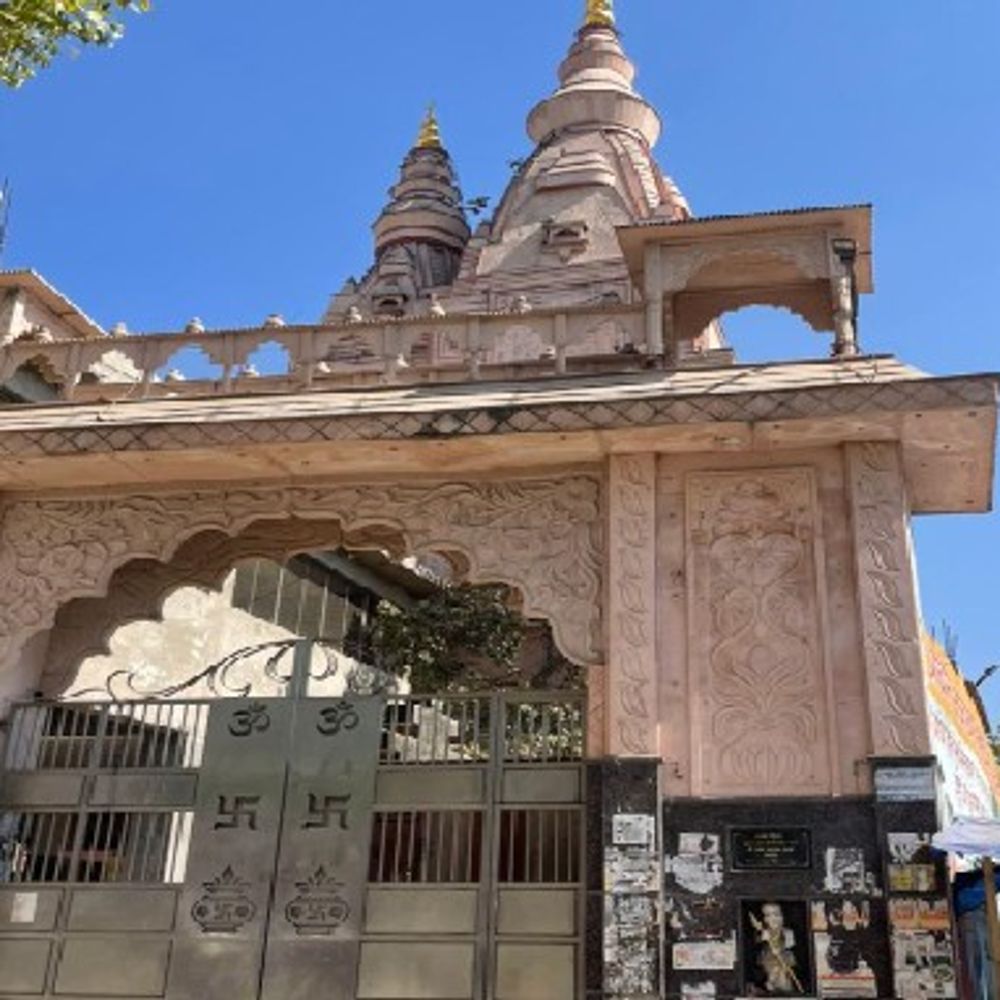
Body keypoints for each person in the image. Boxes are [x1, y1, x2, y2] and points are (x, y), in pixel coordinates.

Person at [750, 902, 803, 994]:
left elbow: (791, 953)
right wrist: (762, 940)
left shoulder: (788, 933)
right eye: (768, 915)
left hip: (783, 970)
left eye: (776, 915)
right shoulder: (761, 935)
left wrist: (780, 952)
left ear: (783, 917)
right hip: (767, 970)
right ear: (764, 919)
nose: (773, 919)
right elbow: (756, 956)